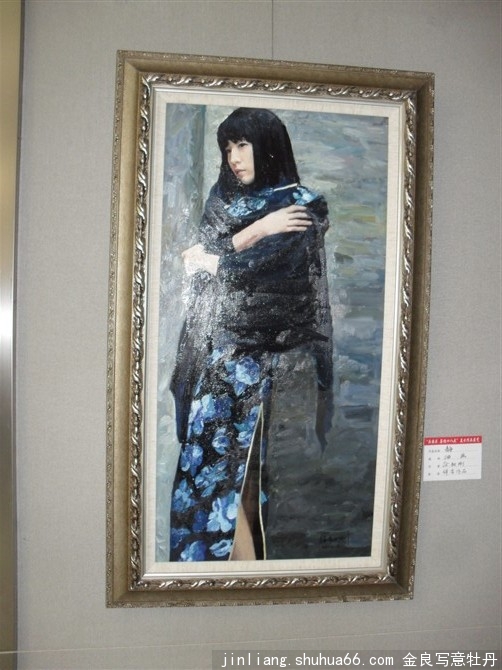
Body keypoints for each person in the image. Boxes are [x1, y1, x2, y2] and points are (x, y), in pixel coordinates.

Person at [169, 107, 333, 562]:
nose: (234, 158)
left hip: (270, 363)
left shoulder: (302, 204)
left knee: (243, 479)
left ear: (268, 145)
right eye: (227, 148)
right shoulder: (223, 199)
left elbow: (260, 277)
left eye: (242, 145)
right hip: (213, 362)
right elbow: (197, 263)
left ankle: (248, 578)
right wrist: (259, 230)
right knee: (211, 478)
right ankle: (231, 577)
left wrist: (214, 259)